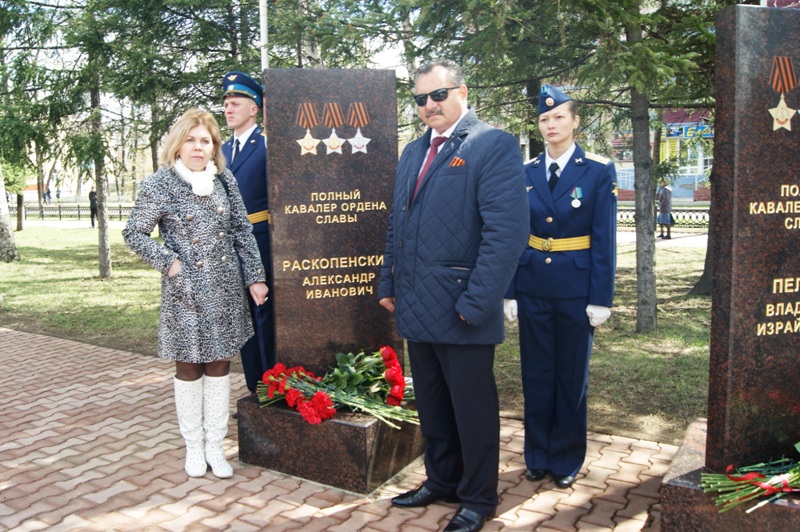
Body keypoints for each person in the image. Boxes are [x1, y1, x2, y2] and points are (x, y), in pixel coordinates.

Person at [378, 59, 529, 532]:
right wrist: (389, 282)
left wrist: (478, 302)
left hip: (463, 308)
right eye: (420, 99)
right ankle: (441, 480)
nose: (429, 106)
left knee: (472, 410)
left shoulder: (493, 145)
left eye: (438, 95)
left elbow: (506, 234)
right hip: (416, 304)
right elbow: (396, 226)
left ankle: (479, 498)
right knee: (434, 407)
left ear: (462, 92)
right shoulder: (412, 153)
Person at [123, 108, 268, 479]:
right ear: (177, 144)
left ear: (214, 147)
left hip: (224, 288)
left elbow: (241, 231)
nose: (198, 147)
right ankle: (193, 447)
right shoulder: (161, 183)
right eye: (191, 139)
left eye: (205, 141)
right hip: (184, 290)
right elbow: (134, 232)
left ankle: (215, 446)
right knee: (188, 366)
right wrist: (169, 262)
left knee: (220, 365)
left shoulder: (224, 181)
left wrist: (255, 276)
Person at [504, 85, 617, 490]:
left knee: (571, 377)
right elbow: (518, 234)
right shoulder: (527, 171)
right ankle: (537, 455)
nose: (550, 125)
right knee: (536, 374)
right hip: (533, 284)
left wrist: (601, 297)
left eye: (558, 118)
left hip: (575, 289)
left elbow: (604, 236)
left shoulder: (598, 169)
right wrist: (511, 290)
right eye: (543, 119)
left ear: (575, 121)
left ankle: (567, 457)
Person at [220, 71, 276, 395]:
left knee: (263, 316)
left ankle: (272, 388)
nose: (228, 109)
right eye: (226, 104)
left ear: (254, 108)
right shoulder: (223, 150)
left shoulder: (267, 146)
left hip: (260, 242)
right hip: (230, 247)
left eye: (235, 103)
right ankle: (256, 391)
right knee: (243, 322)